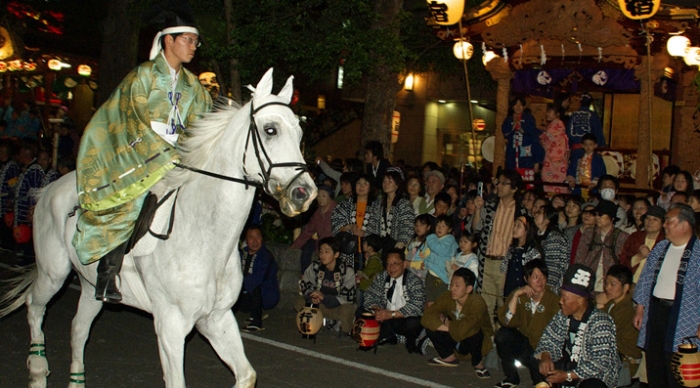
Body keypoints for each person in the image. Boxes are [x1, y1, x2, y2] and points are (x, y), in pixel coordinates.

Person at [74, 9, 213, 303]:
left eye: (195, 41)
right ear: (168, 41)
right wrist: (165, 151)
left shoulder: (195, 87)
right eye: (188, 39)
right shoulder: (143, 76)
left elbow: (202, 125)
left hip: (179, 158)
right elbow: (131, 119)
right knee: (133, 198)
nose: (192, 46)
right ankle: (107, 273)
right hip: (141, 156)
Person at [633, 203, 700, 388]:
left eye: (669, 221)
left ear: (684, 225)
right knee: (655, 362)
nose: (664, 225)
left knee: (677, 368)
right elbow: (646, 278)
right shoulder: (661, 247)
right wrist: (640, 308)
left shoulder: (698, 252)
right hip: (656, 312)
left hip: (684, 317)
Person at [536, 264, 621, 387]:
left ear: (580, 300)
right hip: (568, 366)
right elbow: (548, 338)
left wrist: (568, 376)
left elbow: (600, 362)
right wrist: (546, 356)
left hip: (592, 377)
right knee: (537, 362)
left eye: (565, 297)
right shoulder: (563, 315)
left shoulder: (601, 322)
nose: (560, 301)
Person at [469, 169, 527, 321]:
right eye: (498, 182)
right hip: (486, 260)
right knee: (485, 304)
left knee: (504, 303)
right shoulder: (490, 206)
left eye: (504, 183)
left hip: (505, 263)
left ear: (514, 188)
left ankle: (502, 338)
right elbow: (476, 229)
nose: (499, 186)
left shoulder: (521, 211)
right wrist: (478, 210)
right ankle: (487, 340)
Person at [495, 259, 559, 388]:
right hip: (525, 345)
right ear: (526, 278)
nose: (540, 281)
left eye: (543, 276)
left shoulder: (553, 300)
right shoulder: (521, 295)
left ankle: (541, 381)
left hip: (543, 350)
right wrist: (515, 297)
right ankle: (511, 377)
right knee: (502, 335)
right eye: (535, 277)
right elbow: (506, 322)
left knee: (542, 381)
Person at [421, 268, 493, 379]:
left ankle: (479, 364)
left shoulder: (477, 302)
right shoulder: (448, 297)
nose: (452, 288)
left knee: (474, 333)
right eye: (452, 284)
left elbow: (465, 329)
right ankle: (448, 357)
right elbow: (426, 317)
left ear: (469, 288)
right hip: (457, 338)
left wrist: (445, 321)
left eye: (457, 285)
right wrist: (446, 327)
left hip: (478, 344)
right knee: (431, 326)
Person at [361, 248, 425, 354]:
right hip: (385, 317)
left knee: (414, 322)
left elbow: (417, 306)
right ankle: (387, 335)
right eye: (388, 264)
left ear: (404, 264)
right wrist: (377, 310)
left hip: (402, 318)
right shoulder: (382, 277)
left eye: (395, 264)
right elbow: (370, 295)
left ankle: (407, 340)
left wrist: (391, 314)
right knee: (361, 311)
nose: (391, 268)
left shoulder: (413, 280)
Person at [295, 236, 356, 335]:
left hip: (335, 306)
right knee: (299, 302)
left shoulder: (346, 271)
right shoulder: (315, 266)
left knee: (346, 309)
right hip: (318, 304)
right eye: (321, 251)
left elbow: (347, 297)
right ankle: (324, 322)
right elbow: (306, 285)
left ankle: (335, 325)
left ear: (336, 254)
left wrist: (324, 298)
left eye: (327, 252)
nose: (323, 255)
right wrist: (312, 296)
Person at [574, 200, 629, 296]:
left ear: (611, 218)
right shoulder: (588, 233)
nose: (597, 217)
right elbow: (579, 258)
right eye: (595, 214)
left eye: (601, 214)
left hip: (610, 285)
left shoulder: (622, 237)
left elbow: (624, 262)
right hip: (588, 283)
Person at [234, 226, 279, 333]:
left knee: (253, 285)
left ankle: (256, 322)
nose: (255, 241)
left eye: (257, 237)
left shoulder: (265, 256)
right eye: (250, 237)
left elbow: (256, 279)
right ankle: (254, 312)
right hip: (246, 294)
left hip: (266, 294)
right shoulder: (242, 253)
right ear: (246, 240)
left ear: (262, 238)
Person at [331, 173, 380, 268]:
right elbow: (335, 222)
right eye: (358, 183)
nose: (361, 186)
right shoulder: (344, 205)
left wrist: (365, 233)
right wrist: (349, 227)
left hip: (369, 251)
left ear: (371, 187)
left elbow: (380, 228)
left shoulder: (377, 206)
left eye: (365, 183)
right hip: (348, 250)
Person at [602, 265, 641, 377]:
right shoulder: (611, 304)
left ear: (625, 288)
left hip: (626, 359)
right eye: (606, 283)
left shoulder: (626, 309)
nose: (607, 288)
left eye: (612, 284)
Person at [290, 185, 336, 273]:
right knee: (307, 248)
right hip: (320, 243)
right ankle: (304, 275)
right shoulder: (318, 212)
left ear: (330, 198)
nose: (320, 198)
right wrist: (295, 245)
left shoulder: (336, 211)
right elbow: (308, 230)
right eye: (318, 196)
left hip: (333, 244)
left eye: (323, 196)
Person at [502, 96, 544, 183]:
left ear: (524, 106)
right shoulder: (508, 119)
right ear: (512, 106)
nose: (518, 107)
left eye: (520, 105)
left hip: (526, 156)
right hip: (512, 156)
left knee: (526, 181)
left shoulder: (529, 118)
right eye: (515, 105)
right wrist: (513, 126)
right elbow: (505, 133)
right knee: (511, 179)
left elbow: (533, 135)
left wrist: (536, 161)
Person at [619, 205, 665, 282]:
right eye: (647, 218)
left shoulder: (665, 242)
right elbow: (622, 262)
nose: (650, 222)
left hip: (652, 284)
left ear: (662, 224)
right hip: (631, 282)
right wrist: (638, 256)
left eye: (655, 219)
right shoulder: (635, 237)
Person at [501, 215, 542, 298]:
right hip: (510, 289)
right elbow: (504, 268)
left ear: (527, 230)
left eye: (519, 226)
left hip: (525, 292)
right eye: (514, 225)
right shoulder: (512, 249)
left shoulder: (532, 251)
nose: (515, 228)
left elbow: (535, 274)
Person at [535, 205, 570, 294]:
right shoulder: (537, 235)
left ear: (547, 220)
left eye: (539, 213)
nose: (535, 214)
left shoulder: (554, 238)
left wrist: (546, 289)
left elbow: (553, 269)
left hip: (548, 290)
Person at [424, 214, 458, 303]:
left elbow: (439, 250)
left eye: (443, 226)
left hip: (441, 278)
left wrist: (430, 237)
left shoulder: (450, 239)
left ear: (449, 229)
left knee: (439, 304)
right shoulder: (436, 238)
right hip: (430, 274)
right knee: (430, 302)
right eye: (438, 225)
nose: (439, 228)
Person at [378, 167, 415, 249]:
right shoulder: (378, 202)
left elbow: (408, 226)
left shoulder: (404, 204)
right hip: (380, 245)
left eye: (389, 181)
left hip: (396, 247)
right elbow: (373, 222)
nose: (386, 184)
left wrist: (400, 243)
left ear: (397, 184)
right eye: (384, 181)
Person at [540, 103, 569, 194]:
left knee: (557, 181)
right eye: (547, 112)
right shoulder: (552, 125)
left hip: (557, 158)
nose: (547, 114)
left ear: (557, 114)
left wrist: (543, 135)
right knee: (548, 179)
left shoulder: (559, 124)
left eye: (550, 112)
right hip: (550, 157)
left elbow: (553, 137)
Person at [565, 133, 606, 198]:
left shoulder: (598, 159)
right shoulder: (577, 158)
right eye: (586, 145)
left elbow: (601, 172)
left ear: (595, 145)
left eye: (590, 144)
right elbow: (571, 170)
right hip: (578, 187)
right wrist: (571, 181)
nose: (588, 147)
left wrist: (594, 183)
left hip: (592, 187)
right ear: (582, 145)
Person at [405, 213, 434, 281]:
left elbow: (426, 262)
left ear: (428, 227)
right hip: (409, 269)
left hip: (421, 271)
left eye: (421, 225)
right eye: (416, 225)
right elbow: (405, 253)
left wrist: (410, 264)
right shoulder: (412, 240)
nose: (418, 227)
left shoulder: (430, 243)